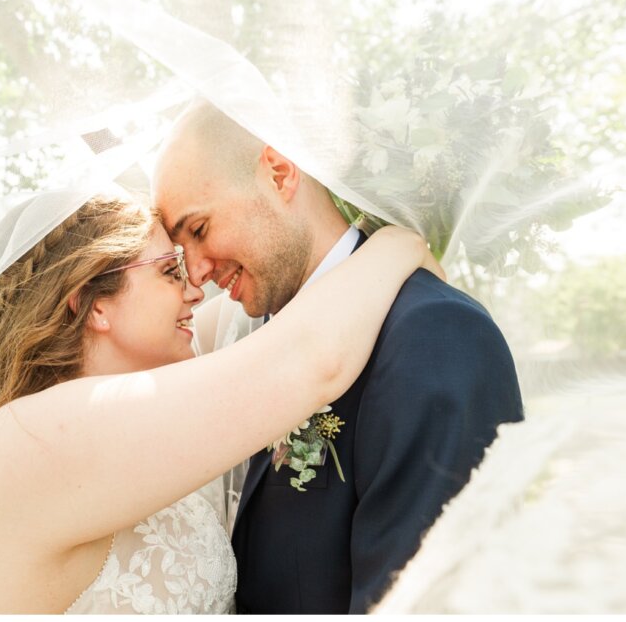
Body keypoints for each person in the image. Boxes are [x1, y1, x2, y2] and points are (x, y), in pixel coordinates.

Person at [0, 193, 443, 613]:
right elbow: (307, 359)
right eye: (170, 272)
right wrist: (398, 242)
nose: (194, 291)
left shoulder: (123, 412)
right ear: (91, 303)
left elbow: (275, 311)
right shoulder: (31, 438)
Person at [152, 99, 525, 614]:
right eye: (178, 251)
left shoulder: (435, 336)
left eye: (198, 230)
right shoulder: (256, 338)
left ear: (279, 174)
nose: (195, 274)